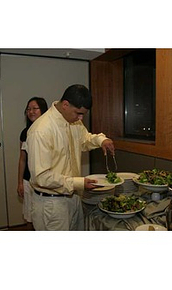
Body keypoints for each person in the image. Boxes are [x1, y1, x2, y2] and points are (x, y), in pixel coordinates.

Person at [26, 84, 115, 231]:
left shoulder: (73, 120)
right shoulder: (41, 130)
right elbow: (41, 177)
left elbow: (84, 139)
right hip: (51, 204)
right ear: (65, 105)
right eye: (78, 113)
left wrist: (101, 140)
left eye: (83, 115)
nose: (80, 118)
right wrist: (79, 183)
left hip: (73, 197)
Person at [17, 97, 48, 230]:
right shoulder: (25, 133)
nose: (31, 112)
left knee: (43, 215)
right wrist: (19, 183)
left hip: (45, 181)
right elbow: (22, 159)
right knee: (29, 215)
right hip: (28, 180)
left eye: (35, 108)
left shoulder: (49, 131)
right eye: (28, 109)